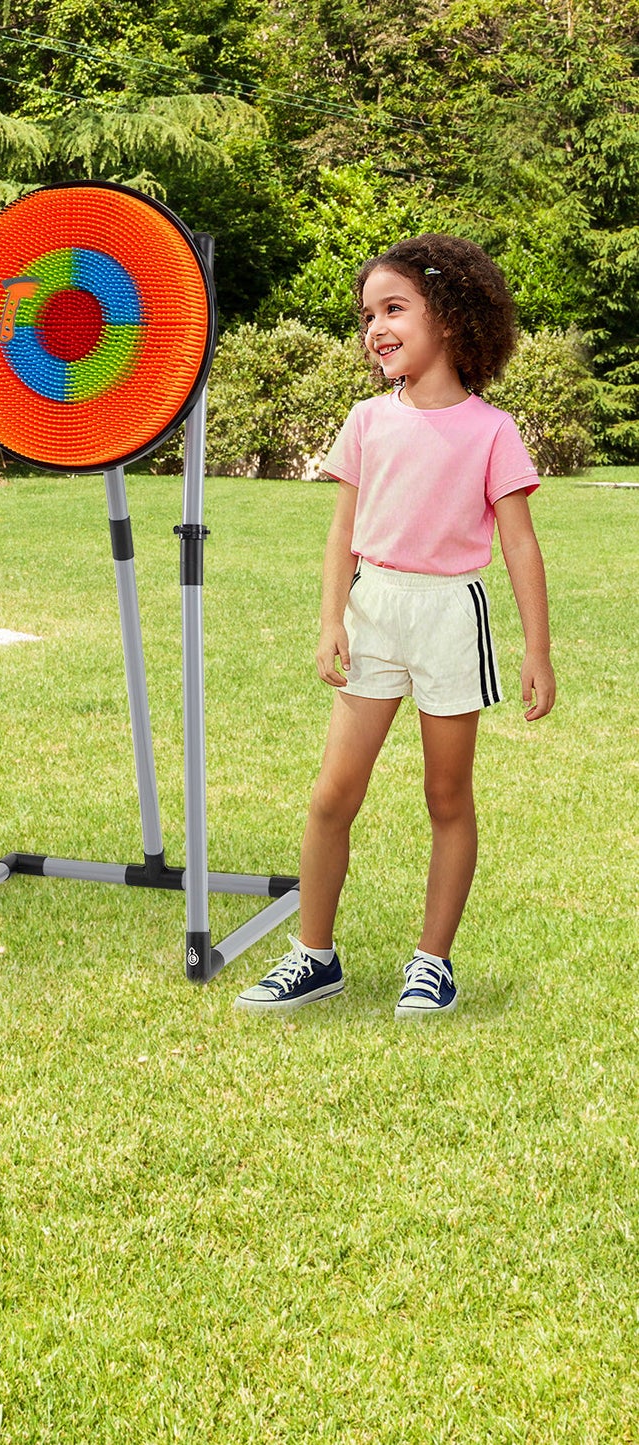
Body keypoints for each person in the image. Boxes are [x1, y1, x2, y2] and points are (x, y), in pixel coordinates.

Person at [234, 233, 555, 1019]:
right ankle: (313, 956)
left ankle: (431, 962)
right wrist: (328, 622)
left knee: (445, 797)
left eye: (392, 308)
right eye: (366, 314)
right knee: (330, 794)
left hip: (450, 615)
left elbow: (518, 542)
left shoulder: (491, 430)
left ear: (447, 317)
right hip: (371, 609)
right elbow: (341, 534)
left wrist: (536, 650)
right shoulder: (366, 422)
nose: (373, 326)